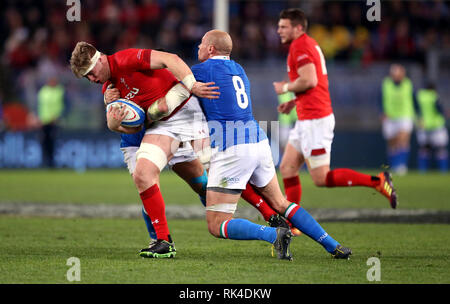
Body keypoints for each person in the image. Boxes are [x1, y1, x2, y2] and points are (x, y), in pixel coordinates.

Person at [192, 29, 352, 260]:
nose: (198, 47)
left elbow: (173, 76)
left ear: (210, 49)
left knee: (217, 224)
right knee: (280, 202)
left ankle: (272, 235)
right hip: (258, 141)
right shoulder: (239, 69)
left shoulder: (203, 69)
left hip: (233, 146)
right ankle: (333, 245)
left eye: (201, 44)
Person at [70, 42, 219, 258]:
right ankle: (160, 239)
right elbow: (121, 126)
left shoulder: (127, 59)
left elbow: (171, 59)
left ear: (100, 59)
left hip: (175, 120)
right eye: (86, 77)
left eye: (91, 73)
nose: (91, 79)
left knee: (203, 182)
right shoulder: (109, 89)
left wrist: (192, 84)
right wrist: (115, 119)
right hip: (143, 135)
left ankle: (234, 215)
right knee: (145, 180)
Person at [273, 9, 397, 209]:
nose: (278, 30)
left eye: (283, 27)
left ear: (298, 28)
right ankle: (292, 222)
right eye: (279, 26)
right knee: (287, 167)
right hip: (306, 118)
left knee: (321, 178)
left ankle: (378, 181)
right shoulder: (308, 44)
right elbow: (317, 82)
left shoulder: (300, 46)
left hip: (316, 120)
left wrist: (285, 87)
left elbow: (310, 80)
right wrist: (295, 101)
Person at [381, 63, 416, 175]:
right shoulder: (386, 84)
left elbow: (414, 99)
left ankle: (401, 165)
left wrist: (417, 115)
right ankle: (394, 165)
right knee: (392, 143)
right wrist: (381, 112)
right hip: (390, 116)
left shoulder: (408, 84)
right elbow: (380, 98)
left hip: (405, 115)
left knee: (403, 139)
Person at [414, 82, 448, 172]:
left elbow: (416, 108)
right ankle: (443, 171)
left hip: (423, 125)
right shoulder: (434, 96)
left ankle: (422, 171)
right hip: (436, 125)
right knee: (441, 149)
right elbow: (439, 108)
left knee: (424, 148)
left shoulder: (420, 96)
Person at [37, 76, 65, 168]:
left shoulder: (60, 91)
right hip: (44, 121)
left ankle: (52, 162)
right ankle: (45, 161)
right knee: (45, 142)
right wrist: (38, 118)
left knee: (54, 142)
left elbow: (64, 105)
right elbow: (39, 106)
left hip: (55, 122)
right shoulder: (43, 91)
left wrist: (58, 116)